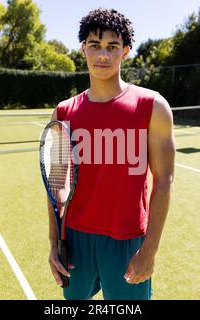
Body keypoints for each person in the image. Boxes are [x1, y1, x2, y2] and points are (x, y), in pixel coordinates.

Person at [47, 8, 175, 300]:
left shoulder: (153, 107)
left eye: (112, 47)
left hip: (126, 238)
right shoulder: (63, 112)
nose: (102, 55)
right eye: (94, 45)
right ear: (83, 49)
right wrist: (54, 241)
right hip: (75, 238)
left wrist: (150, 250)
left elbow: (165, 180)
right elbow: (55, 182)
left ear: (126, 51)